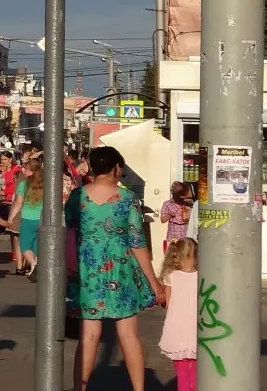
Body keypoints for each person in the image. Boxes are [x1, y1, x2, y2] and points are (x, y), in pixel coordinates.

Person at [67, 147, 165, 391]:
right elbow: (137, 242)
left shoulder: (77, 196)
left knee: (88, 336)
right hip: (121, 270)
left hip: (86, 269)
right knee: (128, 335)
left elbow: (64, 231)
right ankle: (139, 388)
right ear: (115, 168)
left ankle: (80, 387)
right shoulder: (127, 199)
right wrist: (153, 281)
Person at [157, 238, 198, 391]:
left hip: (177, 329)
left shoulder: (170, 275)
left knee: (182, 375)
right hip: (196, 329)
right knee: (195, 373)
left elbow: (167, 304)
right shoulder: (201, 275)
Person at [8, 158, 43, 278]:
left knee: (24, 245)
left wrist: (11, 218)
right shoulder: (45, 184)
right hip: (42, 218)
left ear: (31, 171)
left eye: (26, 169)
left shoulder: (24, 184)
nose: (23, 171)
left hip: (27, 218)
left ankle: (33, 264)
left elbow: (18, 203)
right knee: (37, 245)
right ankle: (36, 265)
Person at [159, 181, 192, 260]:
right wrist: (169, 215)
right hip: (173, 233)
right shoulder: (167, 204)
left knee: (185, 255)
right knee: (173, 256)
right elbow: (162, 220)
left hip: (185, 232)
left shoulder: (188, 204)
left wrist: (188, 215)